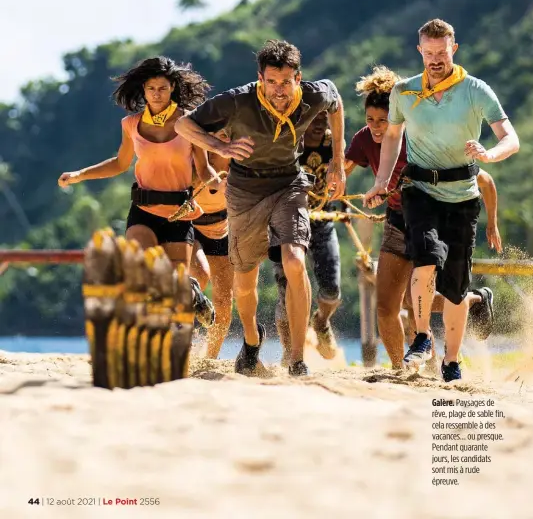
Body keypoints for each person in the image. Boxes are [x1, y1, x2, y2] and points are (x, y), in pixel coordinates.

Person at [175, 39, 346, 377]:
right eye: (271, 82)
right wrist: (216, 143)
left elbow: (336, 101)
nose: (279, 90)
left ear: (298, 78)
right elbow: (183, 125)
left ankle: (297, 359)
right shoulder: (237, 101)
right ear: (260, 78)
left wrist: (338, 161)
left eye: (285, 81)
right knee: (244, 280)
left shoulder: (312, 95)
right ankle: (252, 340)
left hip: (289, 183)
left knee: (295, 261)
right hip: (244, 190)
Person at [365, 21, 519, 382]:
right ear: (420, 51)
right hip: (419, 190)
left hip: (463, 195)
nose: (435, 59)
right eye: (429, 53)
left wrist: (490, 154)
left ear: (454, 49)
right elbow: (391, 137)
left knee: (455, 287)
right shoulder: (404, 92)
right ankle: (421, 337)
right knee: (426, 256)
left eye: (442, 52)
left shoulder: (476, 90)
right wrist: (382, 181)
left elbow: (510, 136)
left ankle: (452, 362)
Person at [346, 66, 499, 371]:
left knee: (413, 301)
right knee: (389, 305)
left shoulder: (418, 137)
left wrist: (492, 223)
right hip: (396, 221)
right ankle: (399, 369)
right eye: (370, 120)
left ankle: (470, 301)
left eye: (383, 120)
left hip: (431, 219)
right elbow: (342, 171)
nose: (377, 128)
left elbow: (484, 180)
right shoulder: (364, 139)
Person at [58, 56, 212, 285]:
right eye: (151, 88)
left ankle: (190, 301)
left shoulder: (190, 122)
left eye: (162, 88)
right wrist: (80, 174)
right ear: (144, 89)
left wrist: (223, 182)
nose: (156, 93)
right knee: (144, 271)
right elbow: (120, 163)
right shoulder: (130, 124)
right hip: (144, 211)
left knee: (176, 286)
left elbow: (204, 169)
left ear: (173, 88)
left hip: (178, 212)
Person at [269, 111, 343, 363]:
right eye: (314, 121)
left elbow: (346, 170)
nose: (318, 127)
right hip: (287, 222)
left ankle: (321, 322)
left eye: (323, 122)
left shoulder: (334, 143)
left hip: (322, 220)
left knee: (332, 291)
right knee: (285, 290)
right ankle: (290, 353)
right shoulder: (288, 142)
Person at [191, 130, 234, 358]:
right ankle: (181, 342)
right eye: (218, 129)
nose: (224, 134)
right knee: (199, 275)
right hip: (191, 227)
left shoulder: (241, 161)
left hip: (223, 229)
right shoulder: (196, 155)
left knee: (224, 300)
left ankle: (210, 357)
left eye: (228, 129)